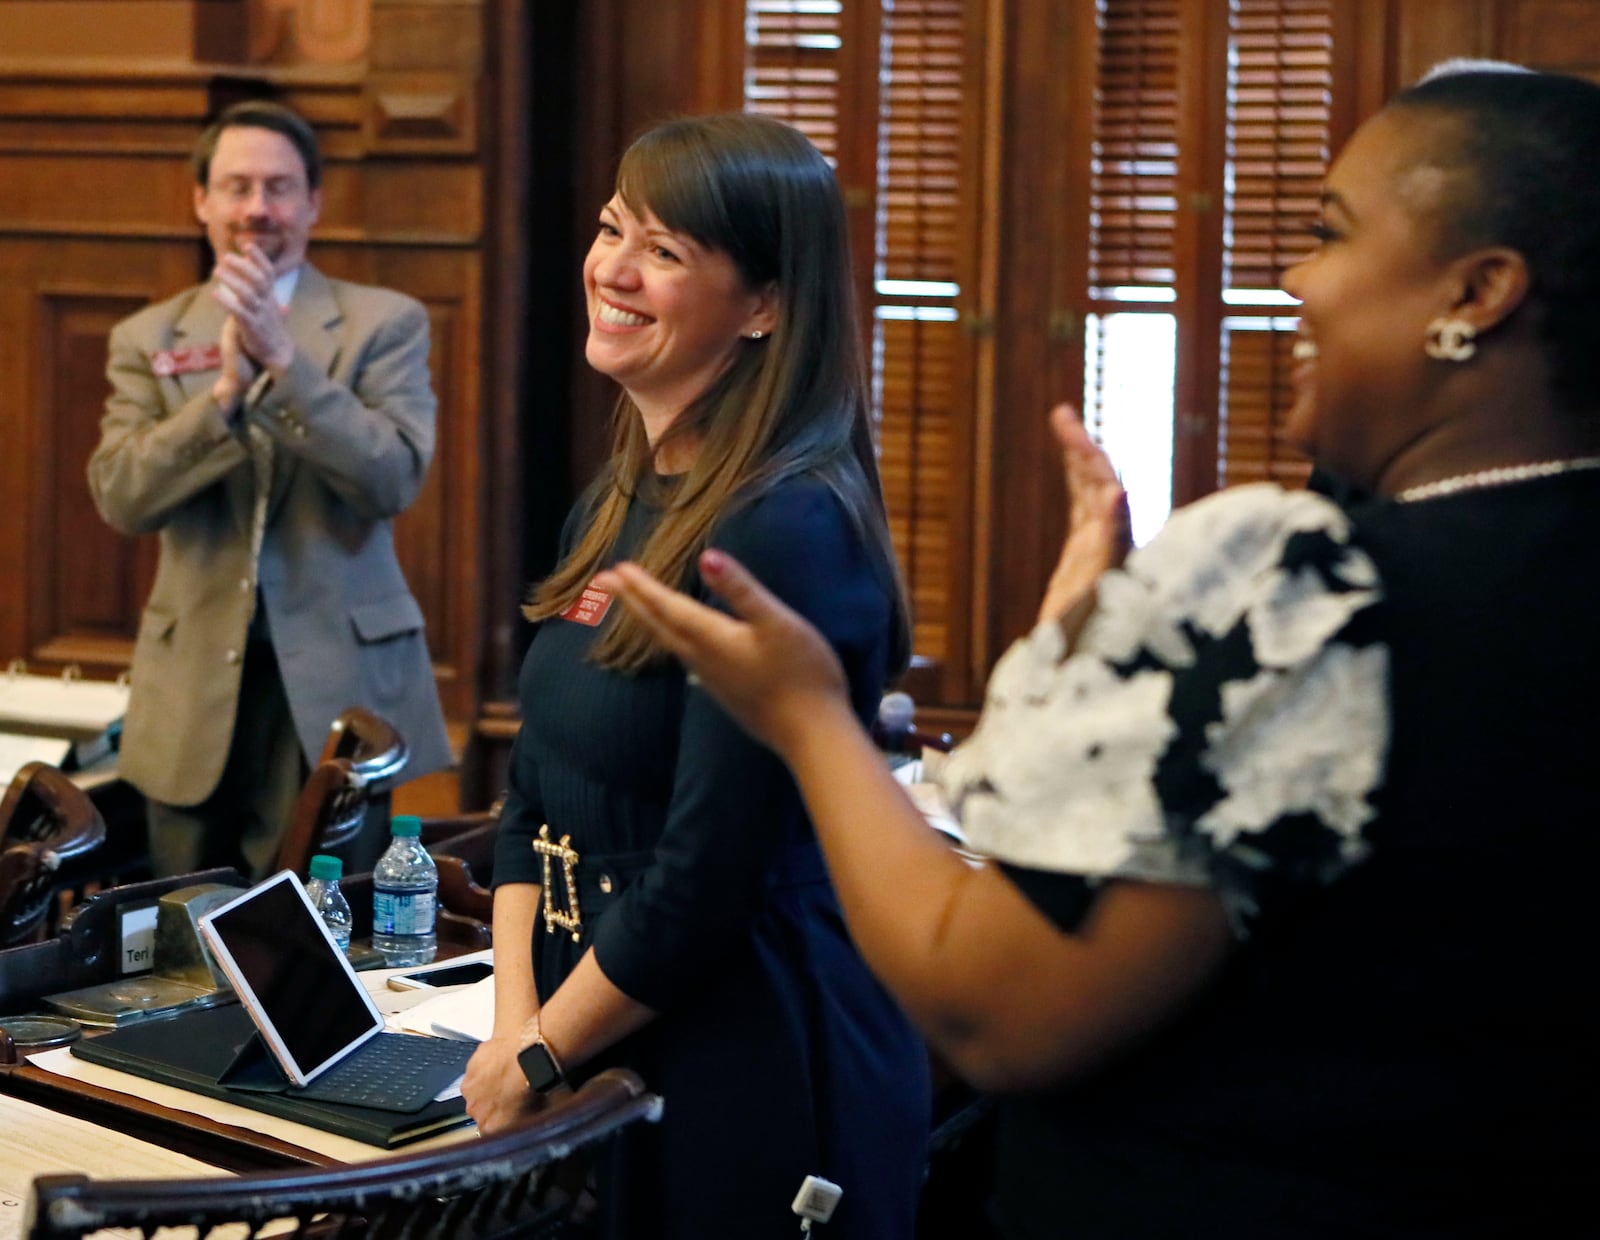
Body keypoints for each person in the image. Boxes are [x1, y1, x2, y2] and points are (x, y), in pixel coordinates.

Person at [599, 67, 1600, 1238]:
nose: (1291, 281)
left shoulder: (1304, 591)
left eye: (1327, 235)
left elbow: (991, 1010)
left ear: (1476, 293)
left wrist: (810, 717)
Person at [460, 113, 929, 1238]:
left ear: (765, 305)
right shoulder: (618, 492)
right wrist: (518, 1033)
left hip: (747, 1056)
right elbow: (533, 797)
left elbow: (708, 872)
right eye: (615, 227)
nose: (611, 269)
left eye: (664, 252)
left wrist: (541, 1050)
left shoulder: (785, 529)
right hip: (593, 1042)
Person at [88, 100, 451, 879]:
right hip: (191, 692)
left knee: (326, 941)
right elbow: (120, 496)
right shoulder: (147, 339)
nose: (258, 209)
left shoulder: (383, 323)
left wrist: (289, 367)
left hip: (333, 690)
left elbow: (393, 476)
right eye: (238, 186)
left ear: (313, 202)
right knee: (181, 938)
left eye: (280, 188)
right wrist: (222, 398)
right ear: (202, 202)